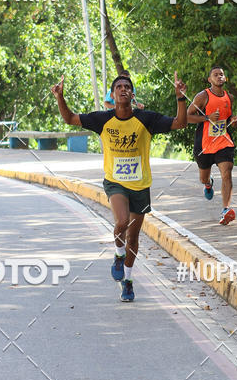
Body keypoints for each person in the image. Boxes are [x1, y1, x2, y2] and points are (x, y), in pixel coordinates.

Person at [52, 72, 187, 302]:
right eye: (119, 87)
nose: (123, 89)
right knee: (122, 222)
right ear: (113, 95)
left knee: (133, 237)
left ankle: (128, 280)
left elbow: (179, 123)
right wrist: (59, 98)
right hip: (115, 182)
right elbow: (70, 119)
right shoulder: (102, 119)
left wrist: (181, 97)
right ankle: (118, 253)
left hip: (140, 186)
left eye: (127, 87)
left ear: (132, 95)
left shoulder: (146, 119)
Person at [187, 65, 237, 225]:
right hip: (204, 144)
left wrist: (233, 122)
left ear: (225, 78)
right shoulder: (203, 96)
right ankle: (208, 185)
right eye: (215, 75)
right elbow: (187, 117)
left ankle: (226, 209)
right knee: (203, 178)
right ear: (210, 79)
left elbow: (228, 120)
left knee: (227, 172)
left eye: (222, 74)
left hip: (223, 141)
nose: (219, 77)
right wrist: (207, 117)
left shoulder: (229, 97)